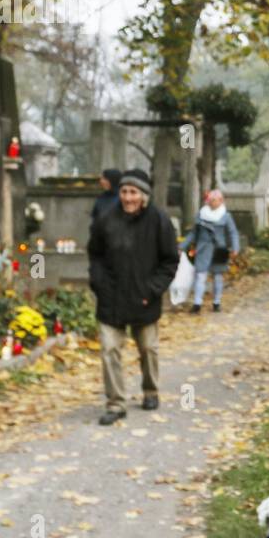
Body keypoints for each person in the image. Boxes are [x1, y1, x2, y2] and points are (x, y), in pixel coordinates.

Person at [87, 168, 178, 425]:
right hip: (111, 298)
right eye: (124, 192)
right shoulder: (106, 218)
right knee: (109, 349)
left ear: (144, 195)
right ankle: (116, 403)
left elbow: (170, 261)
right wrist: (99, 283)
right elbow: (95, 254)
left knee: (148, 348)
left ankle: (150, 390)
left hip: (144, 297)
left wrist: (152, 290)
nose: (128, 198)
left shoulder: (159, 220)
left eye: (134, 192)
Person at [181, 189, 240, 314]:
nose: (211, 202)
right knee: (200, 275)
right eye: (209, 200)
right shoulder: (201, 214)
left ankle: (216, 302)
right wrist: (182, 246)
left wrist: (235, 248)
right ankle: (197, 303)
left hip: (219, 249)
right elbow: (194, 233)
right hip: (203, 249)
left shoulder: (226, 216)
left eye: (214, 200)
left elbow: (233, 232)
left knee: (218, 276)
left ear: (220, 201)